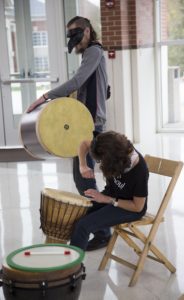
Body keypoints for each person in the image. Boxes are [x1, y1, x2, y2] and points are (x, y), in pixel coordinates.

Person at [27, 16, 110, 249]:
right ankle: (102, 227)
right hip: (84, 123)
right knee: (84, 177)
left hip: (91, 125)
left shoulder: (94, 50)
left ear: (86, 31)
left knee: (85, 179)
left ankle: (103, 231)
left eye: (76, 36)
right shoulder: (89, 53)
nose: (75, 43)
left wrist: (45, 96)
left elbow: (77, 81)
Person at [70, 131, 149, 251]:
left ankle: (72, 267)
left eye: (102, 161)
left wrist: (107, 199)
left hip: (128, 207)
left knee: (83, 225)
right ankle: (68, 256)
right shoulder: (109, 144)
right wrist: (83, 165)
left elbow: (137, 207)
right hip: (112, 194)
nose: (101, 164)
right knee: (75, 214)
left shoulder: (139, 171)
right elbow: (84, 143)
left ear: (113, 160)